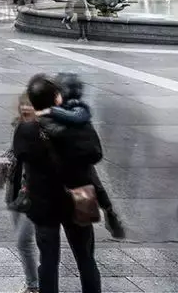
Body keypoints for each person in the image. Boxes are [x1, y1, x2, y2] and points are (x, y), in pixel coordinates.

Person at [15, 74, 107, 293]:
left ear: (32, 101)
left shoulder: (28, 129)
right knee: (86, 259)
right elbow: (96, 154)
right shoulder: (80, 125)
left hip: (45, 204)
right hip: (78, 198)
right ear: (57, 98)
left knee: (49, 262)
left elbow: (21, 157)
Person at [45, 75, 127, 239]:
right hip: (80, 178)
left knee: (56, 245)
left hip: (65, 180)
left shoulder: (69, 112)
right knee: (83, 243)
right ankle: (108, 212)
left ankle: (108, 213)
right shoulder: (77, 112)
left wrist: (48, 113)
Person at [0, 90, 43, 293]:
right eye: (23, 104)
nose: (25, 108)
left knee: (25, 240)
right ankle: (31, 283)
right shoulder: (19, 127)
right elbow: (16, 153)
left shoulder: (45, 132)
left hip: (35, 196)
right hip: (15, 192)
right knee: (23, 244)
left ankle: (35, 291)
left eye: (30, 104)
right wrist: (5, 161)